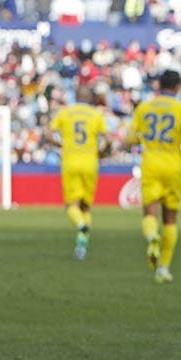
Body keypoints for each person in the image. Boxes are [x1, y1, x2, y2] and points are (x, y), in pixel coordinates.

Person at [128, 70, 181, 283]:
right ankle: (163, 269)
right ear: (177, 87)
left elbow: (129, 138)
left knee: (150, 212)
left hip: (151, 164)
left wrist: (144, 140)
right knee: (170, 219)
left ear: (158, 86)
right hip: (173, 165)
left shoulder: (144, 107)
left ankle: (151, 236)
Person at [49, 85, 109, 259]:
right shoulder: (96, 114)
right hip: (90, 162)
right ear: (89, 98)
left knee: (71, 206)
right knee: (85, 206)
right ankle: (81, 247)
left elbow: (48, 134)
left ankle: (81, 225)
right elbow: (108, 139)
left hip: (71, 161)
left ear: (75, 96)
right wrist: (102, 152)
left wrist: (61, 145)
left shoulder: (65, 113)